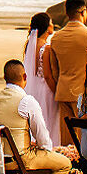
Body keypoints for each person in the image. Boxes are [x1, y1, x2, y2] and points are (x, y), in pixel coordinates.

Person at [48, 0, 87, 144]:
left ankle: (70, 165)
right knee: (84, 137)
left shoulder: (56, 38)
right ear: (83, 12)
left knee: (67, 136)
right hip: (84, 92)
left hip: (63, 91)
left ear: (67, 13)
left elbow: (54, 71)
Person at [21, 12, 59, 141]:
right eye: (51, 23)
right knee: (49, 120)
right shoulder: (46, 48)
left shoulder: (29, 44)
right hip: (45, 89)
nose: (53, 25)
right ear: (47, 27)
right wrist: (56, 92)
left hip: (32, 88)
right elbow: (48, 76)